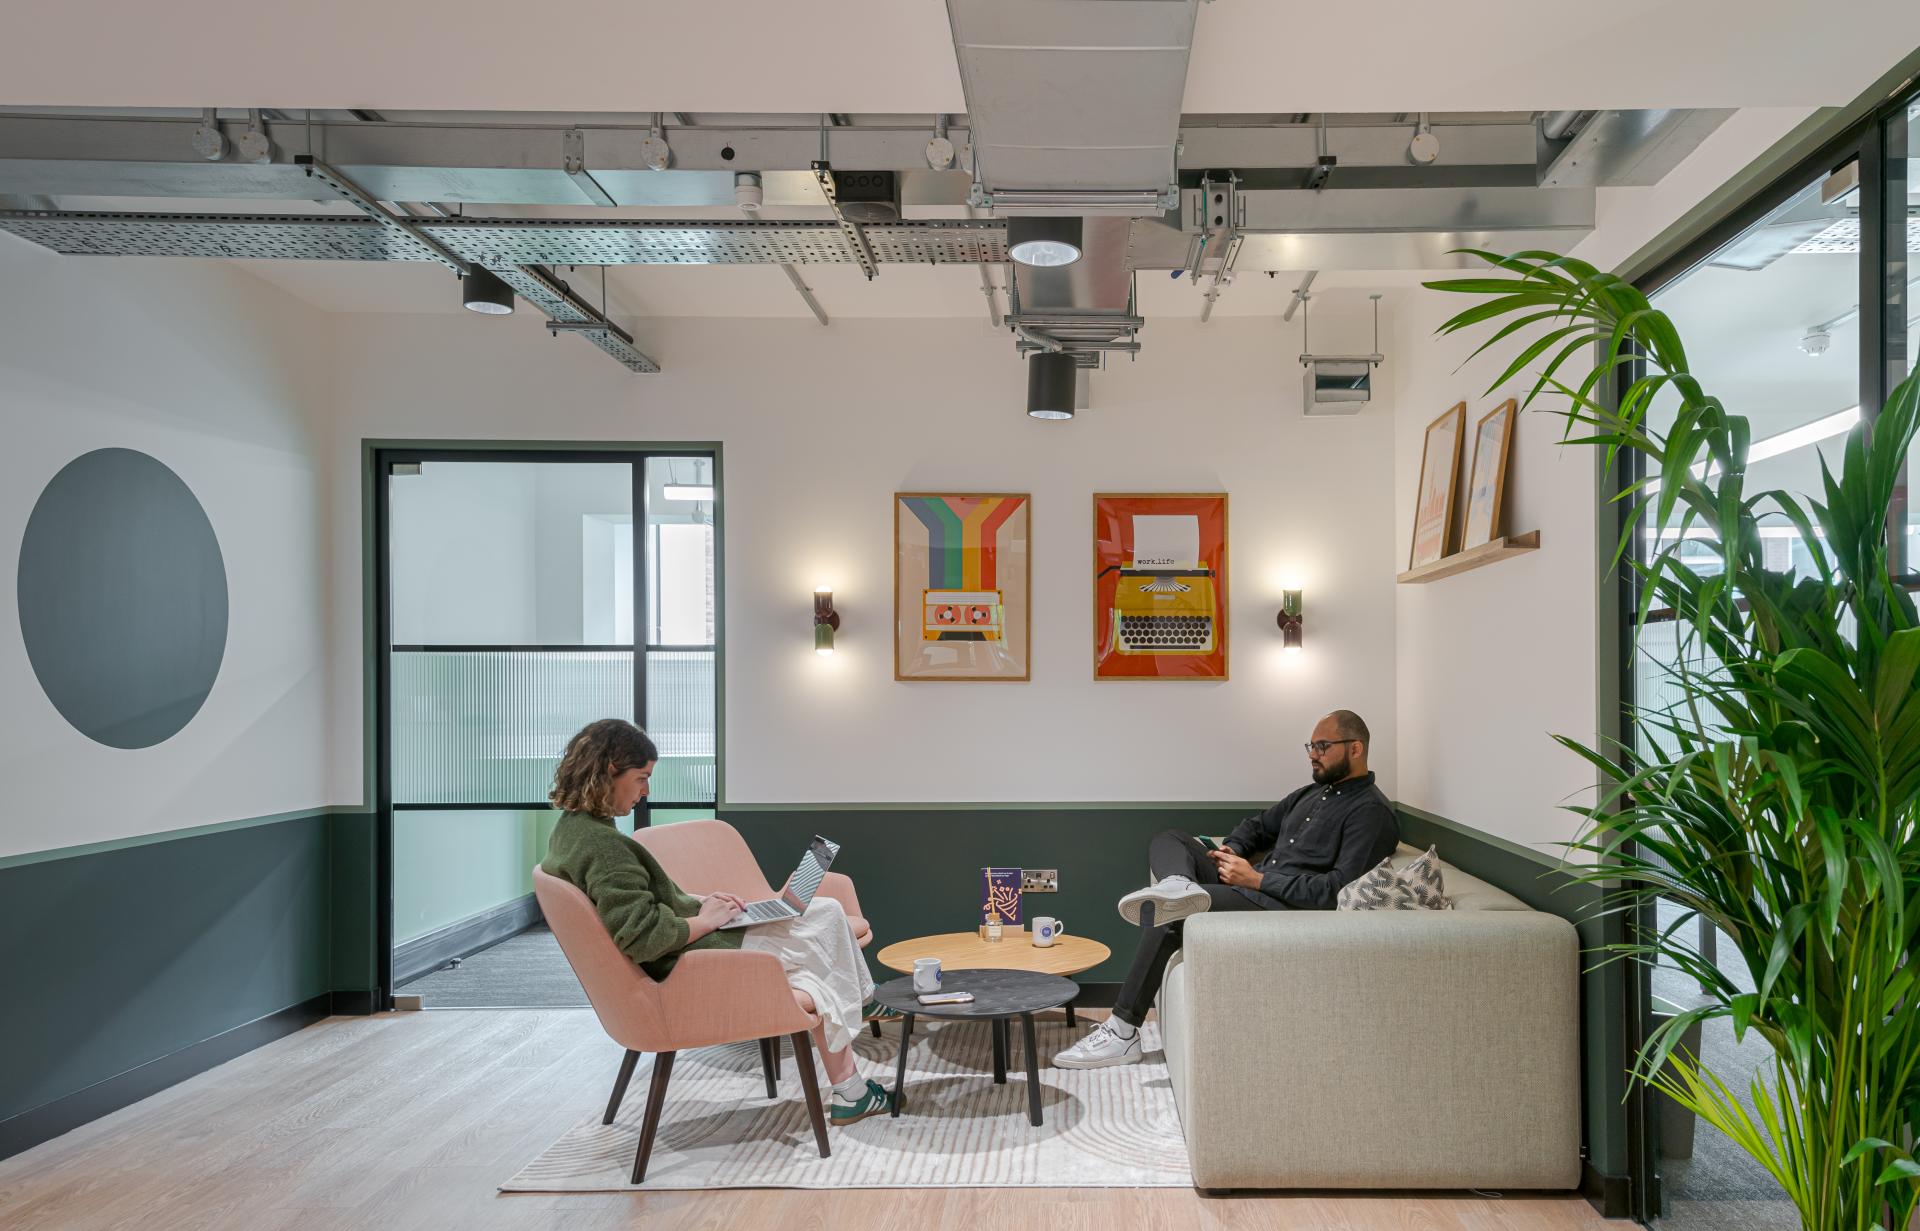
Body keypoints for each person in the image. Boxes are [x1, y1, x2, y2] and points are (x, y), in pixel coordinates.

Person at [540, 718, 891, 1125]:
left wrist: (705, 903)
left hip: (697, 947)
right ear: (606, 773)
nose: (645, 791)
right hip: (699, 961)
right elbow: (643, 938)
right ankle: (862, 1016)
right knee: (826, 921)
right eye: (641, 779)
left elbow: (643, 906)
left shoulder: (572, 833)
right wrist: (706, 921)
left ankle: (856, 1065)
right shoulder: (605, 849)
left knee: (821, 918)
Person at [1053, 709, 1398, 1070]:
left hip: (1283, 909)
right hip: (1250, 884)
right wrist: (1233, 849)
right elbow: (1258, 826)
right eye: (1311, 745)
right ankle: (1178, 885)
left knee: (1175, 913)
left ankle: (1123, 1031)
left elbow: (1336, 892)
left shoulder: (1372, 813)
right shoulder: (1310, 795)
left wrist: (1258, 880)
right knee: (1171, 839)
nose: (1313, 754)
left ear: (1355, 748)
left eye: (1322, 746)